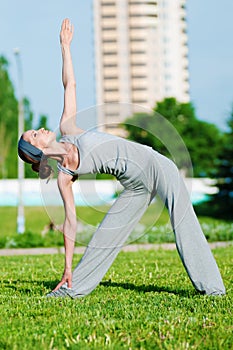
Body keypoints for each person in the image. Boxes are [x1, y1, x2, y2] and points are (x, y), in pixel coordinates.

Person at [18, 19, 225, 298]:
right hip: (136, 186)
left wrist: (65, 47)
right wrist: (66, 266)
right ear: (37, 151)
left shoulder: (67, 128)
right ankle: (71, 288)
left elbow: (70, 85)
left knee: (183, 219)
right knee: (104, 238)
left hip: (155, 165)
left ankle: (212, 289)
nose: (40, 129)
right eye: (34, 134)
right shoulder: (64, 176)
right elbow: (69, 223)